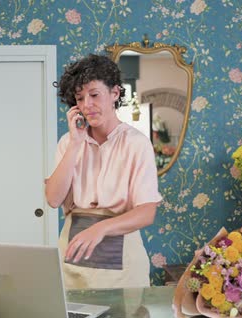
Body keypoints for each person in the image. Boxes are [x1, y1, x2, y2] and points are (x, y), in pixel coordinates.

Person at [45, 54, 162, 289]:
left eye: (94, 94)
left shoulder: (136, 143)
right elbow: (53, 198)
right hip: (73, 259)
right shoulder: (68, 142)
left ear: (115, 93)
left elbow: (147, 213)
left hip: (123, 265)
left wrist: (100, 229)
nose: (87, 104)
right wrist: (76, 144)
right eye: (79, 98)